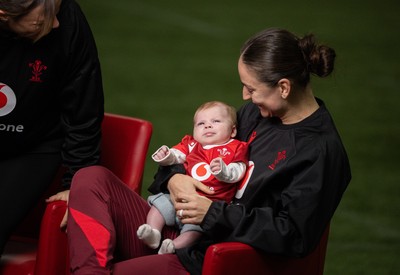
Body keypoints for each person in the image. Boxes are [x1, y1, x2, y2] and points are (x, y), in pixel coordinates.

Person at [67, 27, 351, 275]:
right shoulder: (256, 114)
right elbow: (195, 152)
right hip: (174, 231)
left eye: (250, 89)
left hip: (211, 261)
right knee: (92, 178)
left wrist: (214, 213)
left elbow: (294, 235)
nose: (244, 97)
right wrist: (174, 178)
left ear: (284, 87)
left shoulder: (320, 150)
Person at [0, 0, 104, 256]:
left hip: (34, 147)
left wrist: (78, 181)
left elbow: (84, 105)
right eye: (44, 19)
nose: (57, 24)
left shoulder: (66, 16)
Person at [137, 101, 248, 255]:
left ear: (233, 130)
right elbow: (177, 155)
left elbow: (240, 169)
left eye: (216, 121)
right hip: (178, 197)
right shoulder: (192, 144)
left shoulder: (235, 147)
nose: (207, 126)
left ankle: (173, 246)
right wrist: (167, 155)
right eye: (201, 123)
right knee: (160, 204)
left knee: (195, 230)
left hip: (206, 205)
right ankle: (153, 232)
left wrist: (224, 171)